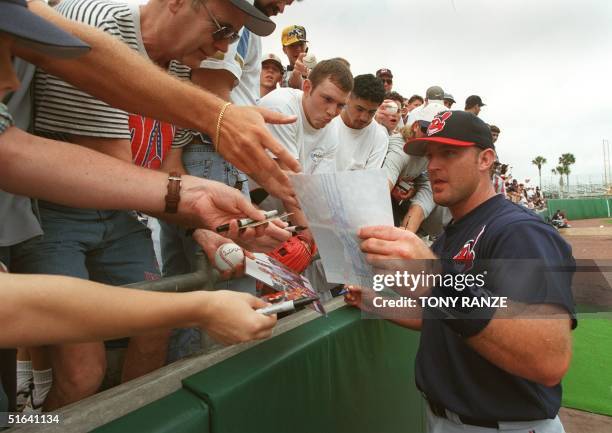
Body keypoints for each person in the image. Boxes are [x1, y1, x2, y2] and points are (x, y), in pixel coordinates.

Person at [0, 0, 277, 414]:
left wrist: (207, 225)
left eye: (232, 38)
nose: (221, 48)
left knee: (154, 333)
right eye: (220, 29)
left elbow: (160, 177)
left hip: (122, 213)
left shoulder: (182, 71)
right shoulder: (101, 23)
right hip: (59, 212)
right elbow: (115, 171)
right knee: (83, 371)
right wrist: (201, 302)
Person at [347, 111, 575, 433]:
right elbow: (437, 313)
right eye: (429, 155)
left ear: (485, 159)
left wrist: (435, 277)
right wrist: (375, 302)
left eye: (449, 153)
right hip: (444, 418)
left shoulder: (518, 231)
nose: (433, 165)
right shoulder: (453, 232)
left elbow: (548, 359)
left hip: (506, 425)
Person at [333, 74, 388, 171]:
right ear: (348, 98)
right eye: (359, 109)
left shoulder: (380, 137)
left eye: (372, 112)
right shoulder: (328, 120)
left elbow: (368, 180)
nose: (364, 118)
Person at [280, 24, 309, 89]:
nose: (298, 49)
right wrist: (297, 71)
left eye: (301, 44)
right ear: (284, 50)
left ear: (306, 47)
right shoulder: (282, 75)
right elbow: (294, 84)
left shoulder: (318, 70)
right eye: (292, 45)